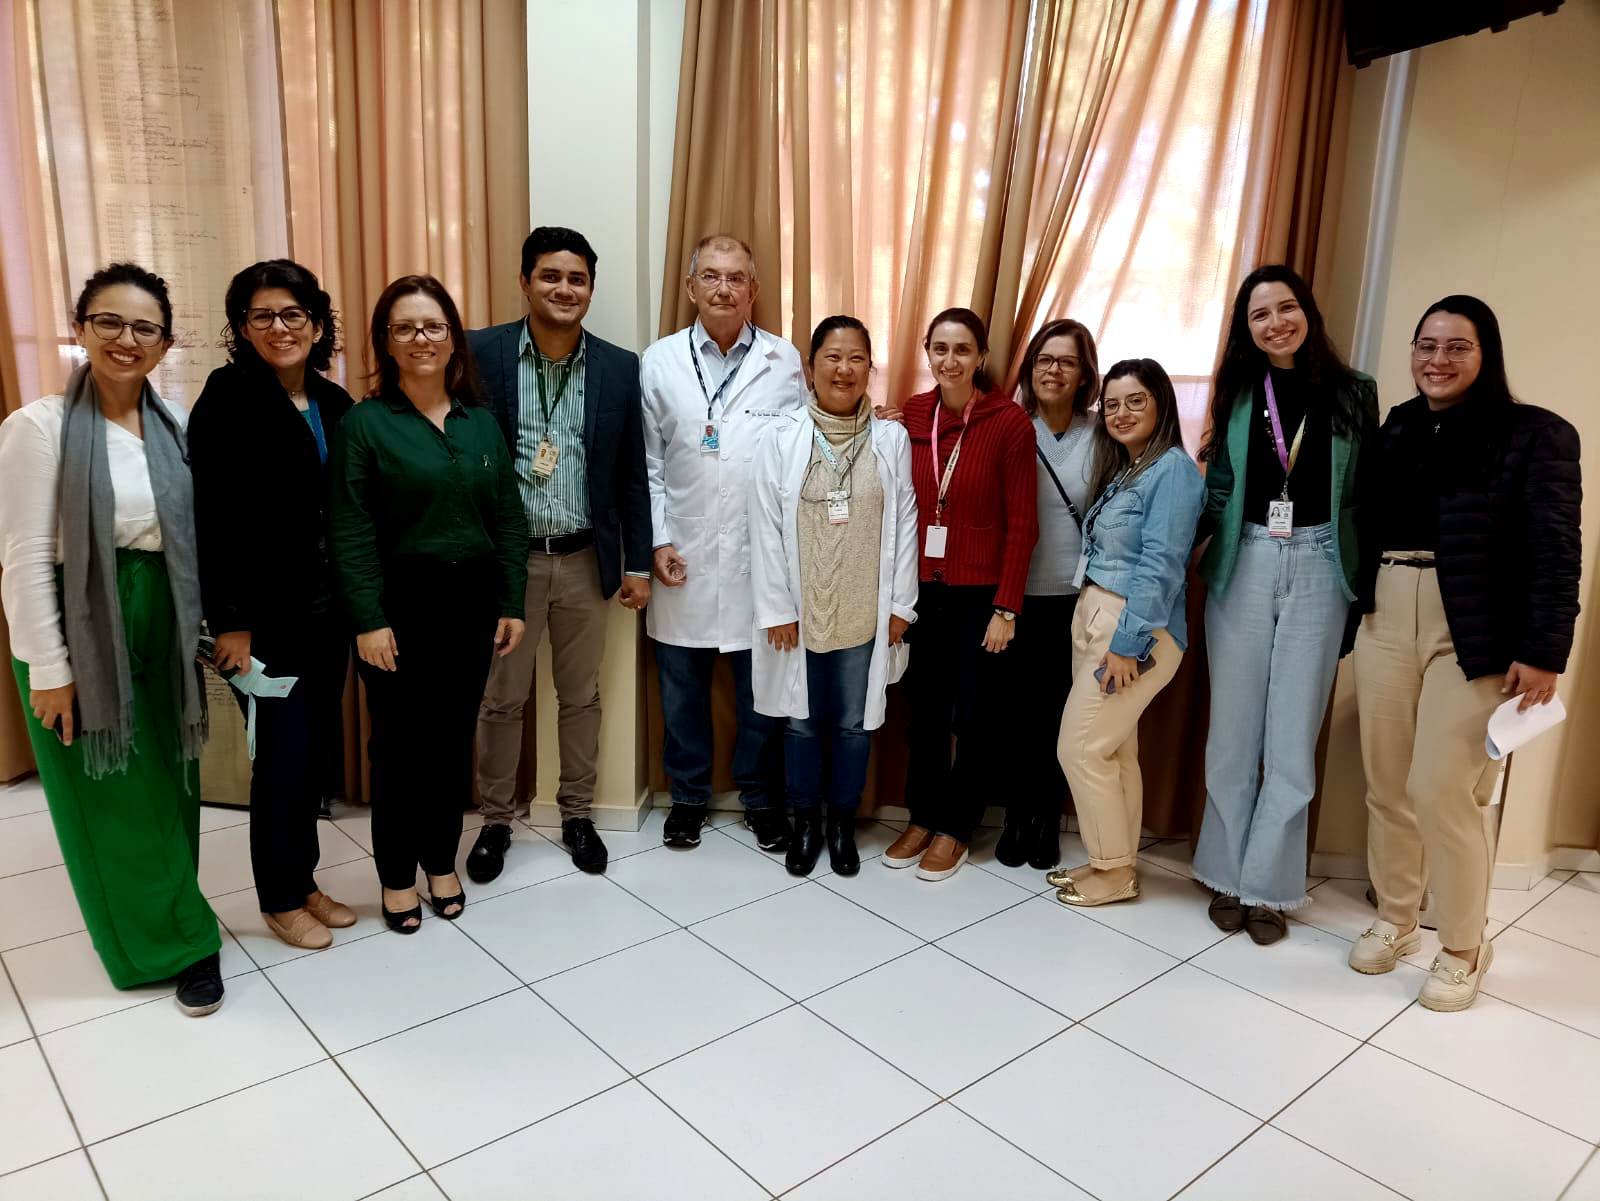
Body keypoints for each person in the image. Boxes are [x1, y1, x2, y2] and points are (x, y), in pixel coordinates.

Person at [0, 264, 222, 1015]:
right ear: (80, 328)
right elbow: (26, 556)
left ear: (165, 343)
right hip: (84, 625)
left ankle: (174, 910)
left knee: (172, 780)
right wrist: (49, 668)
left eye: (145, 327)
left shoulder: (173, 424)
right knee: (114, 795)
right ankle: (176, 945)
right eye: (109, 322)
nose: (127, 339)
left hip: (164, 617)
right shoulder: (39, 427)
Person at [1349, 295, 1580, 1011]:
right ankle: (1396, 918)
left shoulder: (1537, 433)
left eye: (1457, 346)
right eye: (1427, 345)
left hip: (1476, 628)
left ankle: (1462, 945)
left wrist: (1544, 649)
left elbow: (1556, 548)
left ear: (1487, 353)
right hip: (1388, 607)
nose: (1438, 359)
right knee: (1387, 783)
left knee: (1440, 788)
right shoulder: (1398, 425)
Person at [329, 275, 528, 932]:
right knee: (398, 748)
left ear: (453, 339)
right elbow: (350, 528)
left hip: (470, 606)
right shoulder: (364, 424)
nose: (421, 338)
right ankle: (395, 875)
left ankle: (440, 860)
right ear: (386, 342)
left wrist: (511, 601)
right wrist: (368, 618)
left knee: (449, 743)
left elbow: (509, 518)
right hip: (397, 610)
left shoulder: (481, 424)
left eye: (433, 326)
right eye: (405, 327)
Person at [1190, 266, 1380, 945]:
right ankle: (1224, 872)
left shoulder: (1355, 392)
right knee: (1233, 731)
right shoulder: (1241, 390)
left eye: (1285, 307)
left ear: (1307, 312)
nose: (1276, 323)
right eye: (1260, 314)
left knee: (1293, 735)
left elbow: (1365, 491)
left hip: (1322, 559)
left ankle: (1267, 886)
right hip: (1245, 556)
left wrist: (1363, 590)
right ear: (1247, 329)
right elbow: (1221, 484)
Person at [467, 228, 651, 879]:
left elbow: (632, 473)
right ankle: (494, 820)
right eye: (550, 276)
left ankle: (577, 814)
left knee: (581, 695)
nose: (564, 289)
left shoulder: (618, 366)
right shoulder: (479, 352)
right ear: (525, 281)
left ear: (591, 289)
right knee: (501, 699)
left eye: (577, 279)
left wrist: (637, 563)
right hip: (507, 565)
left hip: (583, 559)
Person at [188, 259, 357, 951]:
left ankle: (304, 879)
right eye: (262, 316)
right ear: (242, 328)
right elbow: (213, 516)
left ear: (316, 325)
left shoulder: (334, 402)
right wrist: (230, 620)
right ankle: (280, 898)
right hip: (261, 621)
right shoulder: (227, 396)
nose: (279, 327)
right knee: (281, 758)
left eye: (293, 314)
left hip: (328, 612)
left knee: (313, 755)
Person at [640, 234, 804, 850]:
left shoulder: (784, 361)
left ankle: (760, 798)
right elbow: (649, 465)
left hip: (760, 560)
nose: (724, 288)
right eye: (711, 276)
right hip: (680, 555)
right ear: (691, 288)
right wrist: (657, 540)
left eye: (736, 278)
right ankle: (687, 797)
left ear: (753, 290)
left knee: (760, 691)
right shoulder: (659, 361)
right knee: (681, 690)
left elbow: (800, 453)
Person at [750, 316, 919, 876]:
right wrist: (776, 607)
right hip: (799, 614)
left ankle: (841, 826)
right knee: (800, 722)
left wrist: (900, 606)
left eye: (856, 359)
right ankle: (805, 824)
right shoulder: (780, 437)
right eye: (832, 357)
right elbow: (764, 526)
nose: (843, 370)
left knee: (852, 724)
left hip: (864, 612)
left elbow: (905, 524)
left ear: (870, 369)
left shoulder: (891, 439)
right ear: (810, 368)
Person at [883, 308, 1037, 881]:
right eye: (940, 349)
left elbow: (1023, 524)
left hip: (981, 599)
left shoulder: (1008, 422)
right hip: (921, 592)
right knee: (923, 714)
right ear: (927, 352)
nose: (950, 361)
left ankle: (956, 827)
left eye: (962, 350)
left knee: (974, 718)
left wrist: (1007, 607)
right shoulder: (913, 414)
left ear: (981, 358)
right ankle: (923, 815)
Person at [1049, 359, 1205, 906]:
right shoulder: (1131, 468)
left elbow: (1161, 566)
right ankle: (1114, 862)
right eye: (1112, 404)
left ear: (1161, 403)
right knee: (1113, 751)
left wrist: (1127, 646)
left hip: (1133, 629)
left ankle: (1113, 871)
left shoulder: (1173, 471)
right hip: (1099, 613)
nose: (1121, 413)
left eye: (1135, 401)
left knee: (1080, 748)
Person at [998, 318, 1100, 872]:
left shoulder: (1102, 433)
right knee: (1015, 714)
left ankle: (1045, 818)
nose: (1054, 370)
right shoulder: (1010, 426)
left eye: (1067, 361)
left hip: (1077, 598)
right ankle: (1016, 815)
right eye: (1044, 359)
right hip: (1013, 597)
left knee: (1062, 715)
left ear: (1084, 374)